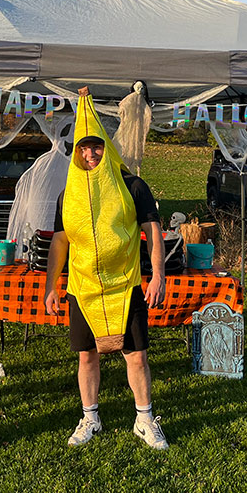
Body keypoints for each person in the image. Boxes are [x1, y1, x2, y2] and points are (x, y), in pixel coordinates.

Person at [43, 90, 169, 450]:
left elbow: (153, 232)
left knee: (136, 356)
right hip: (82, 288)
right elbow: (60, 242)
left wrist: (157, 276)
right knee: (87, 356)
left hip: (124, 286)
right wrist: (51, 286)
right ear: (76, 153)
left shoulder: (132, 186)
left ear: (106, 148)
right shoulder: (68, 195)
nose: (90, 154)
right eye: (84, 148)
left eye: (96, 147)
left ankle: (144, 419)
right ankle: (90, 417)